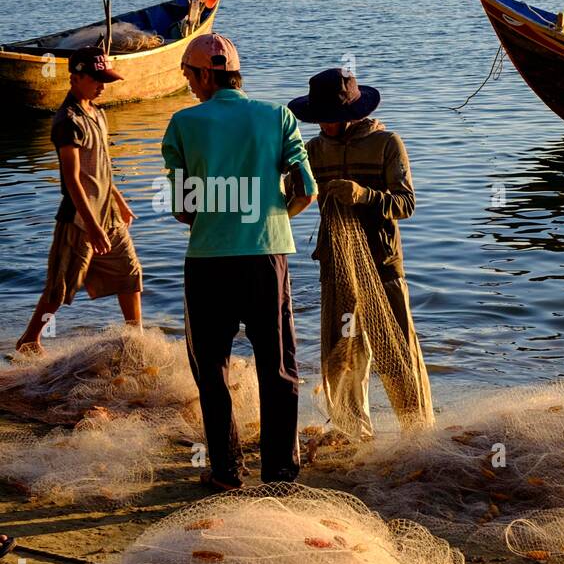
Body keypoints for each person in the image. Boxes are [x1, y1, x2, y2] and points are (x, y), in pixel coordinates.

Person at [162, 34, 317, 490]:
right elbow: (307, 189)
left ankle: (226, 471)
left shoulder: (184, 124)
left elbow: (181, 207)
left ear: (207, 74)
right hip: (267, 256)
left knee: (211, 369)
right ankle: (280, 474)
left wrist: (215, 217)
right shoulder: (278, 117)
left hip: (209, 259)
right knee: (279, 366)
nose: (189, 83)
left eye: (190, 75)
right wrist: (272, 218)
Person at [288, 68, 433, 440]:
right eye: (320, 118)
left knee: (396, 350)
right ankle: (354, 432)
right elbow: (290, 195)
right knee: (343, 353)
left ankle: (416, 432)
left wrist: (364, 195)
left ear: (353, 113)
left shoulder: (386, 143)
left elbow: (407, 203)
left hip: (382, 263)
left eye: (332, 118)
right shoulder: (312, 151)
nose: (325, 125)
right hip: (336, 266)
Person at [17, 49, 142, 354]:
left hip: (108, 215)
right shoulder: (67, 120)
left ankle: (135, 339)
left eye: (105, 79)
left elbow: (102, 167)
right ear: (75, 78)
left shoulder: (97, 113)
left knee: (130, 275)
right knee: (59, 288)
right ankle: (30, 340)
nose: (103, 85)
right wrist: (92, 226)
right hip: (79, 219)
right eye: (97, 79)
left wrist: (119, 201)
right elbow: (73, 180)